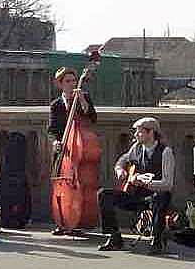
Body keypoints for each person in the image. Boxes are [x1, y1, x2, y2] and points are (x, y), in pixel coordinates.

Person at [97, 117, 174, 254]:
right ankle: (115, 238)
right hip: (135, 196)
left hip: (154, 197)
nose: (135, 135)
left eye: (139, 132)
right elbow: (121, 161)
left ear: (151, 133)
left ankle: (157, 241)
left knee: (162, 197)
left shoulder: (165, 152)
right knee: (103, 194)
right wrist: (120, 170)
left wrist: (146, 183)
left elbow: (168, 184)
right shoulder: (136, 148)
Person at [47, 66, 97, 235]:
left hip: (78, 151)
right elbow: (52, 129)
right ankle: (62, 221)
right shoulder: (56, 105)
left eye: (74, 81)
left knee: (81, 185)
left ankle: (78, 219)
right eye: (67, 81)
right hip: (63, 151)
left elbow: (92, 118)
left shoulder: (84, 97)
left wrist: (82, 100)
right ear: (60, 84)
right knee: (60, 185)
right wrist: (56, 142)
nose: (72, 84)